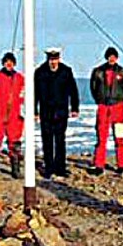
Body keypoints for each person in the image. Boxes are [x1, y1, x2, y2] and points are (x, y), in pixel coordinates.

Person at [34, 48, 80, 179]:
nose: (53, 62)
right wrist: (35, 111)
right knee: (47, 139)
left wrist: (75, 107)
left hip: (61, 111)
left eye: (55, 59)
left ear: (59, 59)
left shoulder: (66, 71)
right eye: (51, 59)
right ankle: (48, 167)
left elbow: (73, 90)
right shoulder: (40, 72)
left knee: (60, 140)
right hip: (46, 111)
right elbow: (35, 93)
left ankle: (60, 167)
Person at [88, 46, 123, 175]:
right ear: (106, 57)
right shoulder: (97, 72)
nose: (111, 59)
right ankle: (99, 164)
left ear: (116, 58)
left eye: (113, 56)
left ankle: (122, 164)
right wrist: (99, 99)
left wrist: (120, 99)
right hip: (103, 107)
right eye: (109, 56)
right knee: (101, 137)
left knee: (119, 136)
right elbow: (93, 87)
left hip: (118, 107)